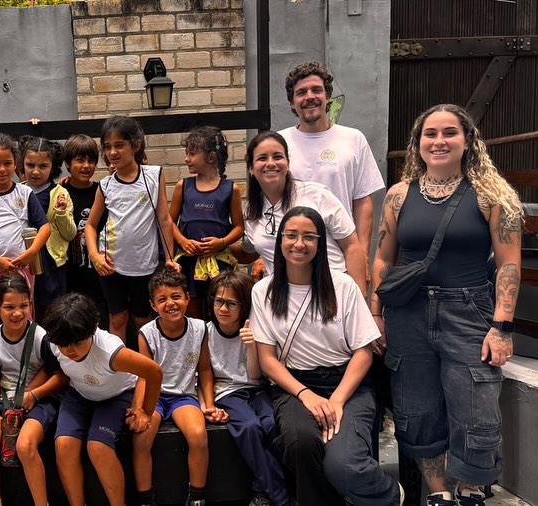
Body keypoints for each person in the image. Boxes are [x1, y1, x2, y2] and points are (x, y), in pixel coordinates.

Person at [371, 104, 522, 506]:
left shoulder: (493, 195)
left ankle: (471, 489)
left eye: (449, 133)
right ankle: (438, 492)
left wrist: (502, 326)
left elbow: (508, 264)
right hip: (408, 315)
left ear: (468, 140)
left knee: (476, 409)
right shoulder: (399, 195)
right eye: (430, 134)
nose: (439, 141)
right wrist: (375, 314)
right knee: (417, 409)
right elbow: (383, 259)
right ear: (418, 143)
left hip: (468, 312)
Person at [252, 206, 401, 505]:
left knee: (343, 464)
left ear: (321, 243)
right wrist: (305, 394)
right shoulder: (263, 291)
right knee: (300, 443)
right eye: (291, 235)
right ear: (280, 241)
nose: (299, 244)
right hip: (294, 386)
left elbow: (363, 352)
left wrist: (337, 400)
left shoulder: (343, 286)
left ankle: (388, 494)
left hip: (347, 383)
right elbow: (267, 359)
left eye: (309, 237)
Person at [43, 292, 163, 506]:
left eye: (76, 343)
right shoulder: (56, 339)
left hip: (116, 395)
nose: (69, 350)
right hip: (79, 393)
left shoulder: (110, 352)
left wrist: (145, 410)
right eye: (63, 345)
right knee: (64, 444)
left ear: (92, 330)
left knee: (98, 447)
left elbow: (153, 372)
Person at [86, 116, 179, 345]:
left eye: (119, 145)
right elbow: (91, 225)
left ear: (136, 145)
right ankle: (120, 364)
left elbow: (164, 218)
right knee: (117, 319)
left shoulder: (154, 175)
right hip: (110, 265)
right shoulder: (106, 185)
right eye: (108, 147)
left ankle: (144, 361)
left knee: (143, 319)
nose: (113, 152)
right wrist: (95, 255)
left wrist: (170, 257)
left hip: (144, 264)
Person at [278, 61, 384, 261]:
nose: (310, 96)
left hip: (340, 257)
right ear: (292, 102)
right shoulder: (279, 143)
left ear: (327, 97)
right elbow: (269, 201)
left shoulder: (353, 139)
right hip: (292, 255)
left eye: (316, 90)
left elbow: (362, 201)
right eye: (301, 92)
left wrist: (361, 254)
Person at [238, 130, 367, 294]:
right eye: (262, 158)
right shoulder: (251, 211)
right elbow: (249, 249)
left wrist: (360, 297)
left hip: (331, 290)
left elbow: (351, 246)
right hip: (285, 297)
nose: (270, 163)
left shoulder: (317, 195)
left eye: (277, 157)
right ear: (251, 168)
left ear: (288, 163)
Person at [0, 274, 66, 506]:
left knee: (25, 445)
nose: (17, 313)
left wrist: (34, 394)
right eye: (9, 307)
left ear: (30, 304)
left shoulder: (40, 336)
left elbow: (60, 375)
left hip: (41, 399)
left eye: (23, 306)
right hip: (3, 401)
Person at [204, 271, 288, 506]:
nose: (223, 309)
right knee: (250, 427)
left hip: (257, 388)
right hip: (227, 392)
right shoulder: (205, 332)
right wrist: (207, 405)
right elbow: (205, 374)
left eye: (232, 303)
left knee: (272, 425)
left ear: (244, 306)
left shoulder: (254, 329)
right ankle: (281, 496)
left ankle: (262, 489)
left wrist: (251, 346)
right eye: (219, 301)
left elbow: (254, 375)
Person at [132, 268, 211, 506]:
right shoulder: (146, 333)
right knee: (141, 437)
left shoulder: (200, 328)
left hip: (183, 396)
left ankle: (197, 498)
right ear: (153, 305)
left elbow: (204, 370)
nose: (170, 303)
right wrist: (139, 409)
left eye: (176, 296)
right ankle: (146, 500)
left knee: (198, 435)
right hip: (155, 396)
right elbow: (143, 377)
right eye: (162, 299)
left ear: (187, 297)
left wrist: (209, 404)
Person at [0, 132, 50, 329]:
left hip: (22, 267)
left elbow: (45, 227)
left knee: (24, 313)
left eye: (7, 163)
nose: (2, 169)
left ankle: (27, 347)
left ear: (16, 164)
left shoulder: (26, 193)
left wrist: (30, 253)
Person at [170, 126, 244, 318]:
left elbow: (239, 227)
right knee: (191, 308)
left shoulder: (231, 189)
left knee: (217, 307)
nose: (186, 159)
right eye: (186, 153)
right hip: (188, 261)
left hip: (219, 262)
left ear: (211, 157)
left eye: (192, 154)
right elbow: (169, 222)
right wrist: (183, 241)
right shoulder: (183, 186)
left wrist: (222, 242)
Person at [18, 135, 77, 319]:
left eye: (43, 166)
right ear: (21, 164)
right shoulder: (16, 191)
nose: (36, 171)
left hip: (50, 262)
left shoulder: (60, 193)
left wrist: (61, 213)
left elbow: (70, 234)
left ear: (53, 167)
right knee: (24, 306)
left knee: (52, 311)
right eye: (30, 165)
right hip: (22, 260)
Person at [61, 134, 108, 326]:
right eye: (80, 160)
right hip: (69, 271)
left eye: (91, 161)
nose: (86, 166)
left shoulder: (102, 191)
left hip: (97, 271)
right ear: (68, 163)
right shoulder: (60, 192)